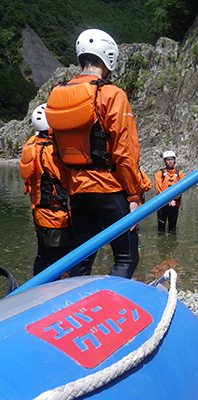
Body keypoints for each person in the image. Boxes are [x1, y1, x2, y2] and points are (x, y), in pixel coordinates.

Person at [45, 29, 142, 279]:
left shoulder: (57, 95)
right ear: (108, 57)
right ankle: (113, 307)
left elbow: (56, 153)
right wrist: (133, 195)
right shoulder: (112, 94)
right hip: (110, 191)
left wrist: (68, 190)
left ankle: (75, 307)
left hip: (77, 194)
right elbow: (125, 151)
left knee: (80, 261)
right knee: (127, 257)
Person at [20, 104, 72, 276]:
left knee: (42, 257)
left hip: (40, 214)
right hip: (56, 217)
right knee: (60, 260)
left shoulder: (32, 146)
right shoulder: (50, 152)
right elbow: (66, 182)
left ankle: (36, 291)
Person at [154, 151, 185, 233]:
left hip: (174, 204)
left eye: (172, 159)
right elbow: (159, 188)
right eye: (168, 160)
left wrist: (174, 199)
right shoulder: (159, 173)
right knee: (161, 229)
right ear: (165, 161)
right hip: (162, 205)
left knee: (172, 229)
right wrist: (168, 199)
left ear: (174, 160)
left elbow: (182, 188)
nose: (170, 161)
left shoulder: (180, 174)